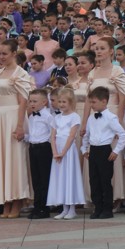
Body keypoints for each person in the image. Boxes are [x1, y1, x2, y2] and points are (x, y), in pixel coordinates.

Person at [0, 40, 34, 219]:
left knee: (15, 159)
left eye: (5, 54)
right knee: (1, 160)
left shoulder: (21, 74)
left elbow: (23, 101)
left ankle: (17, 201)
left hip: (14, 117)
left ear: (14, 53)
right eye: (0, 54)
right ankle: (5, 201)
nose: (1, 57)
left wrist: (20, 125)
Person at [81, 86, 125, 220]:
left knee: (105, 181)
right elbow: (86, 135)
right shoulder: (91, 118)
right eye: (90, 102)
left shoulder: (111, 118)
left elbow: (122, 135)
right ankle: (97, 207)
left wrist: (116, 151)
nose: (91, 105)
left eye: (94, 102)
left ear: (104, 101)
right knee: (94, 181)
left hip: (105, 150)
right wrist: (84, 149)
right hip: (93, 151)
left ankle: (107, 209)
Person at [46, 87, 85, 220]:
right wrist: (55, 152)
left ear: (71, 102)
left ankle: (72, 209)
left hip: (68, 151)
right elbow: (52, 136)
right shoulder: (56, 117)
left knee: (69, 177)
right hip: (57, 151)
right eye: (60, 102)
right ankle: (64, 208)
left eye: (64, 102)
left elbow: (71, 136)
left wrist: (63, 152)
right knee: (60, 178)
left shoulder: (74, 117)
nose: (62, 104)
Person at [26, 89, 55, 220]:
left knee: (44, 179)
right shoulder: (31, 116)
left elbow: (53, 133)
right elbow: (32, 133)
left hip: (44, 148)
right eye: (30, 101)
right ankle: (37, 207)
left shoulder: (48, 116)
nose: (32, 104)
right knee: (36, 179)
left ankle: (44, 208)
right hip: (33, 148)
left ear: (44, 102)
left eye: (35, 101)